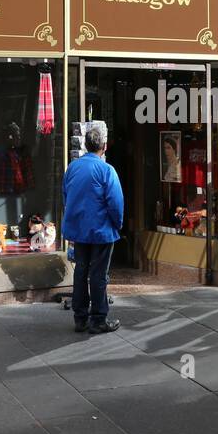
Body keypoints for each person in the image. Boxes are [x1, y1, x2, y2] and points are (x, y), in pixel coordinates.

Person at [61, 124, 124, 334]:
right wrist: (118, 224)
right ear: (104, 147)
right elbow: (116, 203)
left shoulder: (72, 168)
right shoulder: (107, 170)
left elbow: (65, 197)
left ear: (86, 145)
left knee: (81, 271)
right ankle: (98, 319)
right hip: (101, 231)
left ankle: (80, 318)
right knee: (98, 274)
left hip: (79, 230)